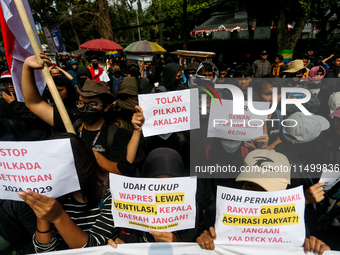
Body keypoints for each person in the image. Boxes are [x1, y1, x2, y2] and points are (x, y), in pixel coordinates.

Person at [21, 52, 144, 177]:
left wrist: (93, 156)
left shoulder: (115, 133)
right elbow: (34, 103)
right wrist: (27, 67)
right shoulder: (70, 122)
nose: (85, 107)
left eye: (92, 104)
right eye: (81, 103)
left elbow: (121, 171)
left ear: (106, 106)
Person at [196, 150, 331, 255]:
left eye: (268, 191)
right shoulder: (216, 213)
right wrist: (205, 241)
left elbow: (302, 245)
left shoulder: (293, 223)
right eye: (250, 186)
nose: (257, 197)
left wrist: (315, 248)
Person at [18, 133, 119, 252]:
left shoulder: (112, 192)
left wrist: (59, 216)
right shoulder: (56, 196)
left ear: (84, 164)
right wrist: (42, 211)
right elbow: (43, 250)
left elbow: (92, 248)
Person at [109, 148, 198, 244]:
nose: (163, 188)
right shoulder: (132, 203)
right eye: (157, 182)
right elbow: (127, 237)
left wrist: (175, 240)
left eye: (170, 183)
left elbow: (190, 242)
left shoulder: (190, 207)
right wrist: (121, 246)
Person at [0, 71, 51, 140]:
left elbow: (33, 119)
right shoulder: (3, 101)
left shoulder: (34, 97)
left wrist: (14, 104)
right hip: (16, 139)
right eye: (6, 83)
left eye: (12, 82)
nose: (9, 85)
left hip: (38, 137)